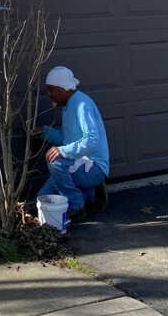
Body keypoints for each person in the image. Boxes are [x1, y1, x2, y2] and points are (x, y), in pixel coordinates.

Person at [37, 65, 109, 222]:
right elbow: (67, 139)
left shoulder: (82, 104)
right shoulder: (68, 105)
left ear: (62, 89)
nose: (49, 95)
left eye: (51, 90)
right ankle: (91, 193)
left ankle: (77, 207)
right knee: (43, 197)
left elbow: (92, 139)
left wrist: (62, 151)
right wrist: (45, 132)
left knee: (56, 163)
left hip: (94, 166)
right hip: (77, 164)